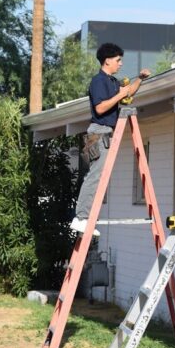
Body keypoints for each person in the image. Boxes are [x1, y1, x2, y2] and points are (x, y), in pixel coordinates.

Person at [70, 42, 150, 235]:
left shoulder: (113, 82)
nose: (120, 64)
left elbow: (128, 92)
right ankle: (81, 218)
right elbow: (100, 108)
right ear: (107, 61)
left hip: (107, 132)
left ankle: (87, 222)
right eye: (118, 60)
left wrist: (139, 79)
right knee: (95, 177)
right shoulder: (98, 81)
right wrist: (119, 95)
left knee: (101, 178)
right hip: (99, 132)